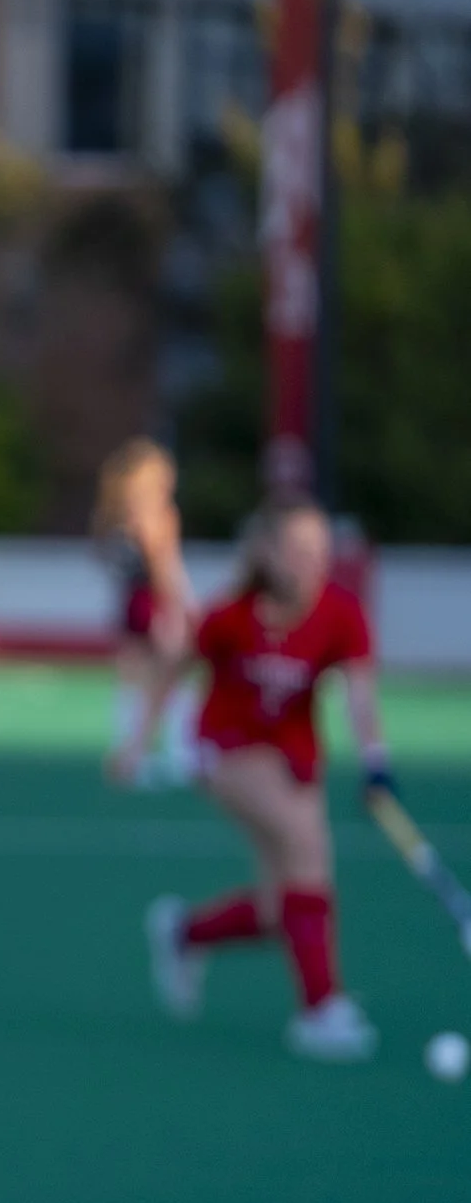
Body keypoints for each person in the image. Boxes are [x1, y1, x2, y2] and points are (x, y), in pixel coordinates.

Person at [134, 499, 390, 1062]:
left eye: (321, 552)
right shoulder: (231, 615)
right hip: (223, 749)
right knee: (307, 842)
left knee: (283, 909)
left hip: (295, 757)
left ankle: (184, 934)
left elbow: (360, 694)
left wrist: (376, 759)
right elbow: (174, 668)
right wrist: (138, 740)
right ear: (268, 553)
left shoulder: (342, 614)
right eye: (298, 550)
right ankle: (321, 1009)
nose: (311, 563)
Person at [95, 438, 196, 789]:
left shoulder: (121, 513)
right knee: (170, 675)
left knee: (136, 678)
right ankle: (169, 753)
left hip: (134, 602)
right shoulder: (153, 515)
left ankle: (134, 753)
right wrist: (179, 606)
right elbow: (163, 566)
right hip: (153, 601)